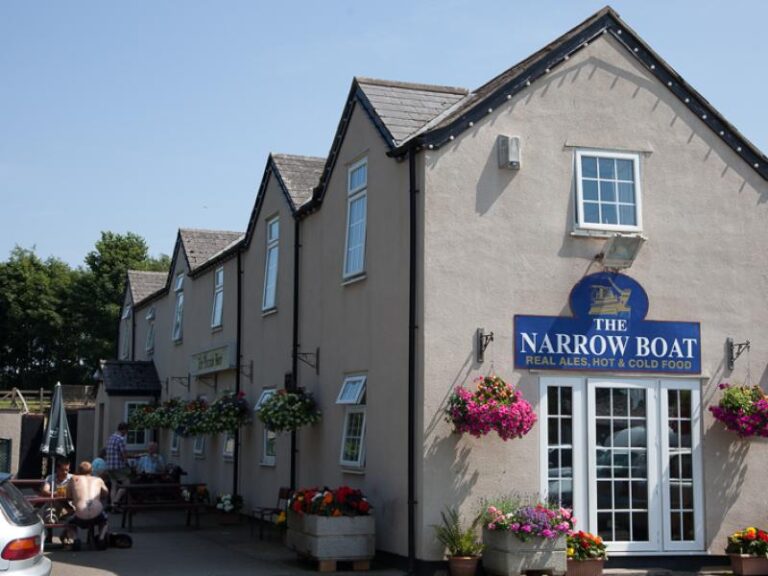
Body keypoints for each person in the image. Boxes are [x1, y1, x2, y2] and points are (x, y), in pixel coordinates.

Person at [65, 461, 109, 551]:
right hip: (97, 513)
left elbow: (68, 496)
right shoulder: (98, 480)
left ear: (78, 470)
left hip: (80, 514)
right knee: (104, 522)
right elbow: (106, 492)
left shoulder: (73, 479)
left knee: (69, 523)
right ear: (91, 470)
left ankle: (75, 538)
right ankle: (101, 537)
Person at [106, 422, 129, 505]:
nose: (126, 434)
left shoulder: (110, 438)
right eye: (126, 432)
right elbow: (124, 455)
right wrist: (127, 464)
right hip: (118, 466)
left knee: (114, 486)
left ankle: (113, 505)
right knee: (126, 483)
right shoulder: (120, 439)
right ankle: (115, 502)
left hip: (109, 466)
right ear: (123, 430)